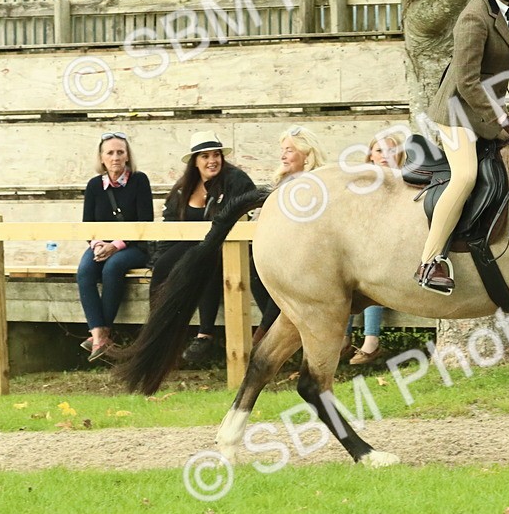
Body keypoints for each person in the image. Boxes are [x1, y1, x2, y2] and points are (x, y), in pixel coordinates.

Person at [419, 0, 509, 294]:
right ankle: (429, 261)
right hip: (457, 110)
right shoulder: (473, 18)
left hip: (485, 108)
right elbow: (468, 82)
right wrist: (505, 122)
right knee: (466, 177)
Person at [152, 131, 257, 368]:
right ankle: (158, 329)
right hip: (189, 245)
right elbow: (170, 224)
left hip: (225, 246)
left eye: (216, 154)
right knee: (162, 267)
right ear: (195, 161)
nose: (212, 161)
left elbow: (248, 210)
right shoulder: (183, 188)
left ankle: (205, 335)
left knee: (206, 263)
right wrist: (161, 257)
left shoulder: (236, 180)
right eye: (205, 156)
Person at [77, 131, 153, 361]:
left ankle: (102, 334)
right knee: (85, 270)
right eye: (110, 153)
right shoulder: (94, 185)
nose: (115, 157)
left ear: (128, 156)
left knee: (113, 268)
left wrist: (115, 246)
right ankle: (99, 334)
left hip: (133, 246)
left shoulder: (140, 181)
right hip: (102, 245)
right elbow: (87, 224)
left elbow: (145, 222)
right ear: (102, 158)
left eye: (120, 152)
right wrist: (98, 244)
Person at [251, 125, 327, 342]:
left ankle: (265, 332)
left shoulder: (317, 181)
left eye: (290, 150)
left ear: (306, 154)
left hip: (309, 252)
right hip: (280, 248)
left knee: (283, 271)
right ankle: (275, 326)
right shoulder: (280, 182)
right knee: (254, 266)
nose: (283, 155)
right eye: (283, 149)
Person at [343, 135, 405, 364]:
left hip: (392, 249)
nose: (385, 156)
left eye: (391, 151)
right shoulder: (362, 182)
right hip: (360, 245)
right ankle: (343, 337)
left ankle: (371, 341)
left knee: (374, 278)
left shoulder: (406, 180)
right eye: (379, 151)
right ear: (370, 155)